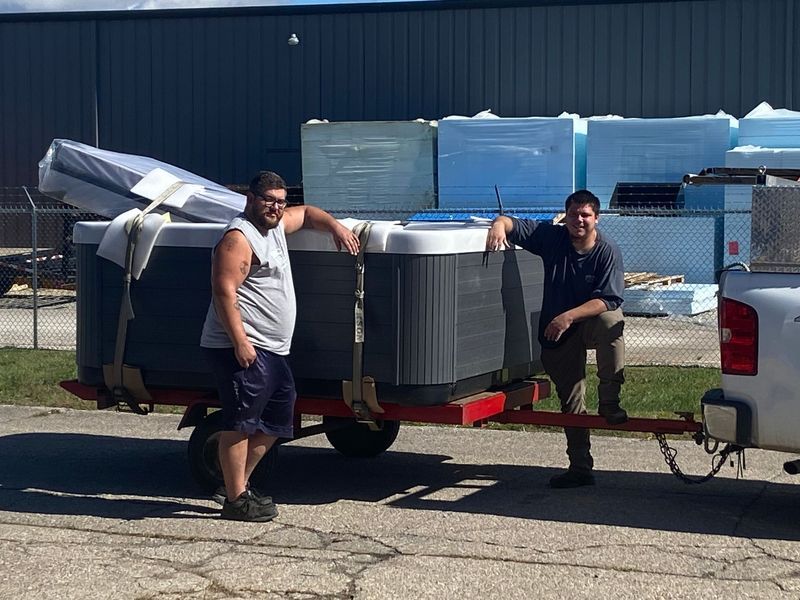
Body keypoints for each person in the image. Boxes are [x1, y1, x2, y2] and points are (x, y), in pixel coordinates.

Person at [200, 171, 360, 521]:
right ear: (250, 199)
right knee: (241, 422)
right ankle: (236, 500)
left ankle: (236, 485)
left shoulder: (275, 226)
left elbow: (308, 214)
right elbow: (224, 291)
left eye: (281, 201)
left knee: (277, 419)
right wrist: (240, 343)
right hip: (243, 347)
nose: (275, 207)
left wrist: (335, 227)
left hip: (272, 348)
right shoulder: (238, 238)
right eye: (269, 200)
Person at [485, 190, 626, 489]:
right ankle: (580, 468)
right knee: (571, 401)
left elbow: (608, 299)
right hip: (558, 334)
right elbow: (513, 224)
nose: (579, 220)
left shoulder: (607, 251)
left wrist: (568, 317)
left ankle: (610, 401)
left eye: (585, 215)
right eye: (574, 214)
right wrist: (498, 225)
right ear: (566, 217)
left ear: (597, 218)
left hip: (587, 323)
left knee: (611, 321)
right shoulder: (552, 238)